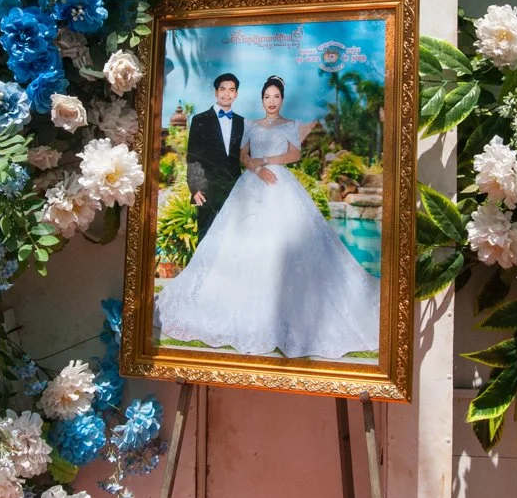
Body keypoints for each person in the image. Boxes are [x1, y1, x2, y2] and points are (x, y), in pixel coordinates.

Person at [156, 75, 381, 360]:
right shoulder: (250, 125)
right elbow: (242, 155)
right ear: (261, 100)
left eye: (276, 96)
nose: (271, 101)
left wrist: (266, 162)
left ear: (281, 99)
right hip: (250, 184)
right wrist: (254, 167)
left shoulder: (289, 125)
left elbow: (294, 154)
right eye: (267, 97)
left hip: (281, 184)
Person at [184, 72, 245, 238]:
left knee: (232, 238)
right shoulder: (199, 119)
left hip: (233, 189)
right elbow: (193, 157)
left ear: (236, 94)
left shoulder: (242, 122)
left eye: (231, 90)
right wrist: (195, 188)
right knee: (205, 237)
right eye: (223, 89)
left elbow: (245, 157)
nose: (227, 93)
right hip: (207, 190)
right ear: (216, 92)